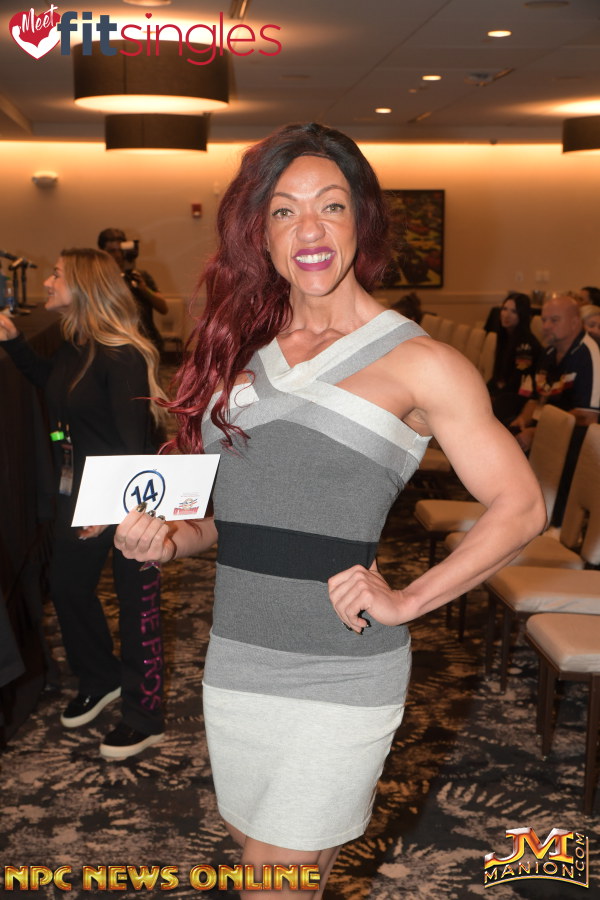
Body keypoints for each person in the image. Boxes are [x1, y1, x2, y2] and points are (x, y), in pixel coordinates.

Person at [114, 123, 545, 898]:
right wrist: (169, 542)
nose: (308, 229)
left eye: (330, 205)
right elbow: (229, 518)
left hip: (337, 669)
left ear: (361, 220)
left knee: (270, 882)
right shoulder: (246, 354)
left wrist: (409, 599)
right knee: (280, 863)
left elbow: (521, 506)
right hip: (236, 657)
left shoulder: (420, 362)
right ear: (261, 233)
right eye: (284, 210)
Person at [0, 249, 168, 760]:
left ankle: (144, 716)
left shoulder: (122, 354)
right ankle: (100, 678)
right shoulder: (77, 344)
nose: (47, 281)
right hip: (81, 492)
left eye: (56, 274)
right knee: (68, 588)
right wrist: (15, 343)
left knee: (137, 607)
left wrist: (109, 511)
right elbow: (54, 386)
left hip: (129, 500)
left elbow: (133, 446)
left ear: (82, 285)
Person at [511, 293, 600, 451]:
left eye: (554, 320)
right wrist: (523, 419)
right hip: (547, 425)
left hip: (576, 438)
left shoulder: (589, 354)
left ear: (574, 323)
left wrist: (538, 432)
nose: (546, 326)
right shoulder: (549, 352)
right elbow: (535, 398)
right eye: (544, 320)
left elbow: (587, 416)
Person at [97, 227, 168, 352]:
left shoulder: (140, 276)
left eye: (120, 250)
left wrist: (145, 289)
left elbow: (163, 308)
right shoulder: (99, 280)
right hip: (115, 344)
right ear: (102, 252)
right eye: (112, 251)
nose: (117, 255)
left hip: (148, 341)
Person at [487, 292, 541, 427]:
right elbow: (497, 377)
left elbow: (518, 382)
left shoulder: (526, 344)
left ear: (522, 315)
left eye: (514, 311)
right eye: (505, 309)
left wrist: (492, 396)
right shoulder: (504, 338)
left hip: (521, 398)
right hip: (505, 393)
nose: (506, 315)